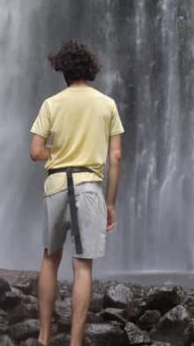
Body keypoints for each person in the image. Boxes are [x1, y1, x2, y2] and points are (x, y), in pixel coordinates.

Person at [30, 41, 124, 346]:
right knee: (82, 265)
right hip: (88, 185)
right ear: (90, 69)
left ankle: (44, 337)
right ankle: (75, 342)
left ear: (63, 70)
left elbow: (35, 151)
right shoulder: (106, 104)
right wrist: (110, 203)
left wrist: (57, 152)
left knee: (49, 259)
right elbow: (116, 157)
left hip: (56, 183)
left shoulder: (51, 103)